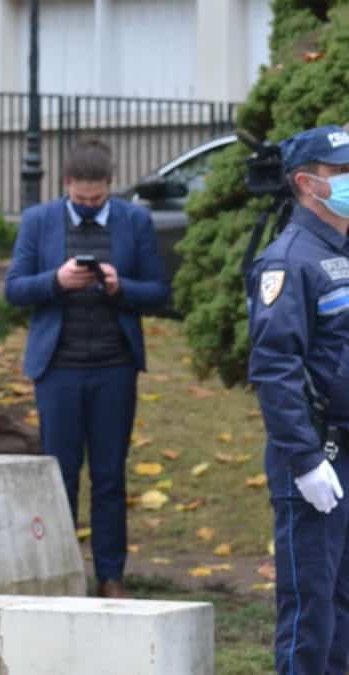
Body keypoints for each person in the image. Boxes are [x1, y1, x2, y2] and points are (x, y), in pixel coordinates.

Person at [4, 139, 169, 598]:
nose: (90, 206)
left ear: (110, 189)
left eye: (98, 200)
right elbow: (14, 289)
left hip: (115, 367)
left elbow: (158, 291)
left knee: (111, 474)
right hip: (59, 367)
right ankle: (63, 571)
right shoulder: (39, 221)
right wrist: (55, 281)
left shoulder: (134, 220)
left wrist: (122, 286)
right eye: (81, 200)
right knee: (60, 473)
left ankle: (111, 575)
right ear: (66, 187)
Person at [247, 125, 349, 674]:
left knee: (343, 607)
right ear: (309, 184)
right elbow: (274, 367)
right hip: (316, 458)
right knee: (310, 610)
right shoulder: (289, 261)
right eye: (343, 171)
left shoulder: (343, 248)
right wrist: (306, 460)